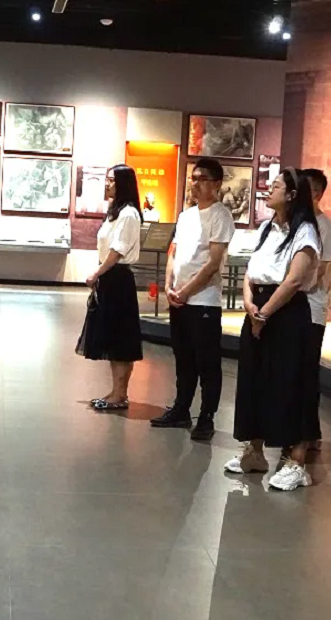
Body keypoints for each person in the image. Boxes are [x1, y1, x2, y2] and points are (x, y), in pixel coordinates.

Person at [225, 168, 321, 492]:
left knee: (289, 383)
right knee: (253, 380)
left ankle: (296, 461)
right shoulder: (267, 228)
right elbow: (251, 271)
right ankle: (254, 450)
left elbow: (294, 280)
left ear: (292, 194)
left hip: (286, 312)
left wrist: (264, 314)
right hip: (259, 309)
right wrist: (249, 303)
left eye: (276, 185)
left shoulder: (305, 231)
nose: (269, 189)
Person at [151, 158, 235, 440]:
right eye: (194, 178)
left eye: (202, 179)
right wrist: (168, 285)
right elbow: (173, 253)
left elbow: (213, 262)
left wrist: (186, 291)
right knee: (183, 358)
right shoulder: (186, 215)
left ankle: (207, 416)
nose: (196, 183)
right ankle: (181, 408)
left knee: (207, 362)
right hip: (179, 299)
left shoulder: (220, 216)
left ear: (217, 184)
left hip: (203, 301)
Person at [77, 165, 144, 411]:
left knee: (120, 339)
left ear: (123, 183)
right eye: (107, 180)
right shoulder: (116, 212)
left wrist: (97, 273)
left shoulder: (128, 214)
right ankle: (117, 392)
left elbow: (117, 251)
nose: (107, 184)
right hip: (110, 277)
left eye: (112, 180)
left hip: (118, 279)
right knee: (114, 337)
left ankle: (119, 394)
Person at [300, 168, 331, 452]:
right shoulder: (301, 223)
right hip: (296, 306)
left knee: (306, 372)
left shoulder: (325, 227)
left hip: (311, 308)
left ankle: (309, 432)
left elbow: (318, 270)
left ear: (317, 194)